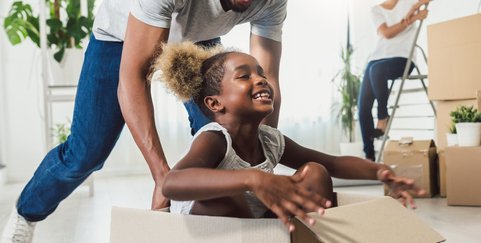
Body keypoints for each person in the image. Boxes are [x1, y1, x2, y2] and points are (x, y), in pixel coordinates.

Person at [2, 0, 286, 242]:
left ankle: (218, 230)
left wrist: (261, 160)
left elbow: (266, 83)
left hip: (199, 35)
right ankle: (27, 213)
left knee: (227, 133)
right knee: (86, 154)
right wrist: (162, 176)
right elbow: (133, 78)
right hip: (122, 35)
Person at [155, 43, 425, 232]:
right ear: (215, 104)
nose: (260, 80)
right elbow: (171, 183)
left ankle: (300, 236)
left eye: (261, 74)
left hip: (257, 220)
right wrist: (254, 178)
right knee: (229, 194)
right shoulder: (215, 138)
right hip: (208, 225)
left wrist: (379, 171)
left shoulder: (270, 140)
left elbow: (333, 164)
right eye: (244, 76)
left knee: (315, 173)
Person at [358, 0, 429, 161]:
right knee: (362, 108)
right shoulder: (376, 10)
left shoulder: (408, 2)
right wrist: (414, 17)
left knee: (376, 70)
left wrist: (414, 7)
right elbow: (386, 33)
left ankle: (383, 117)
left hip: (403, 58)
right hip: (377, 59)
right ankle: (369, 157)